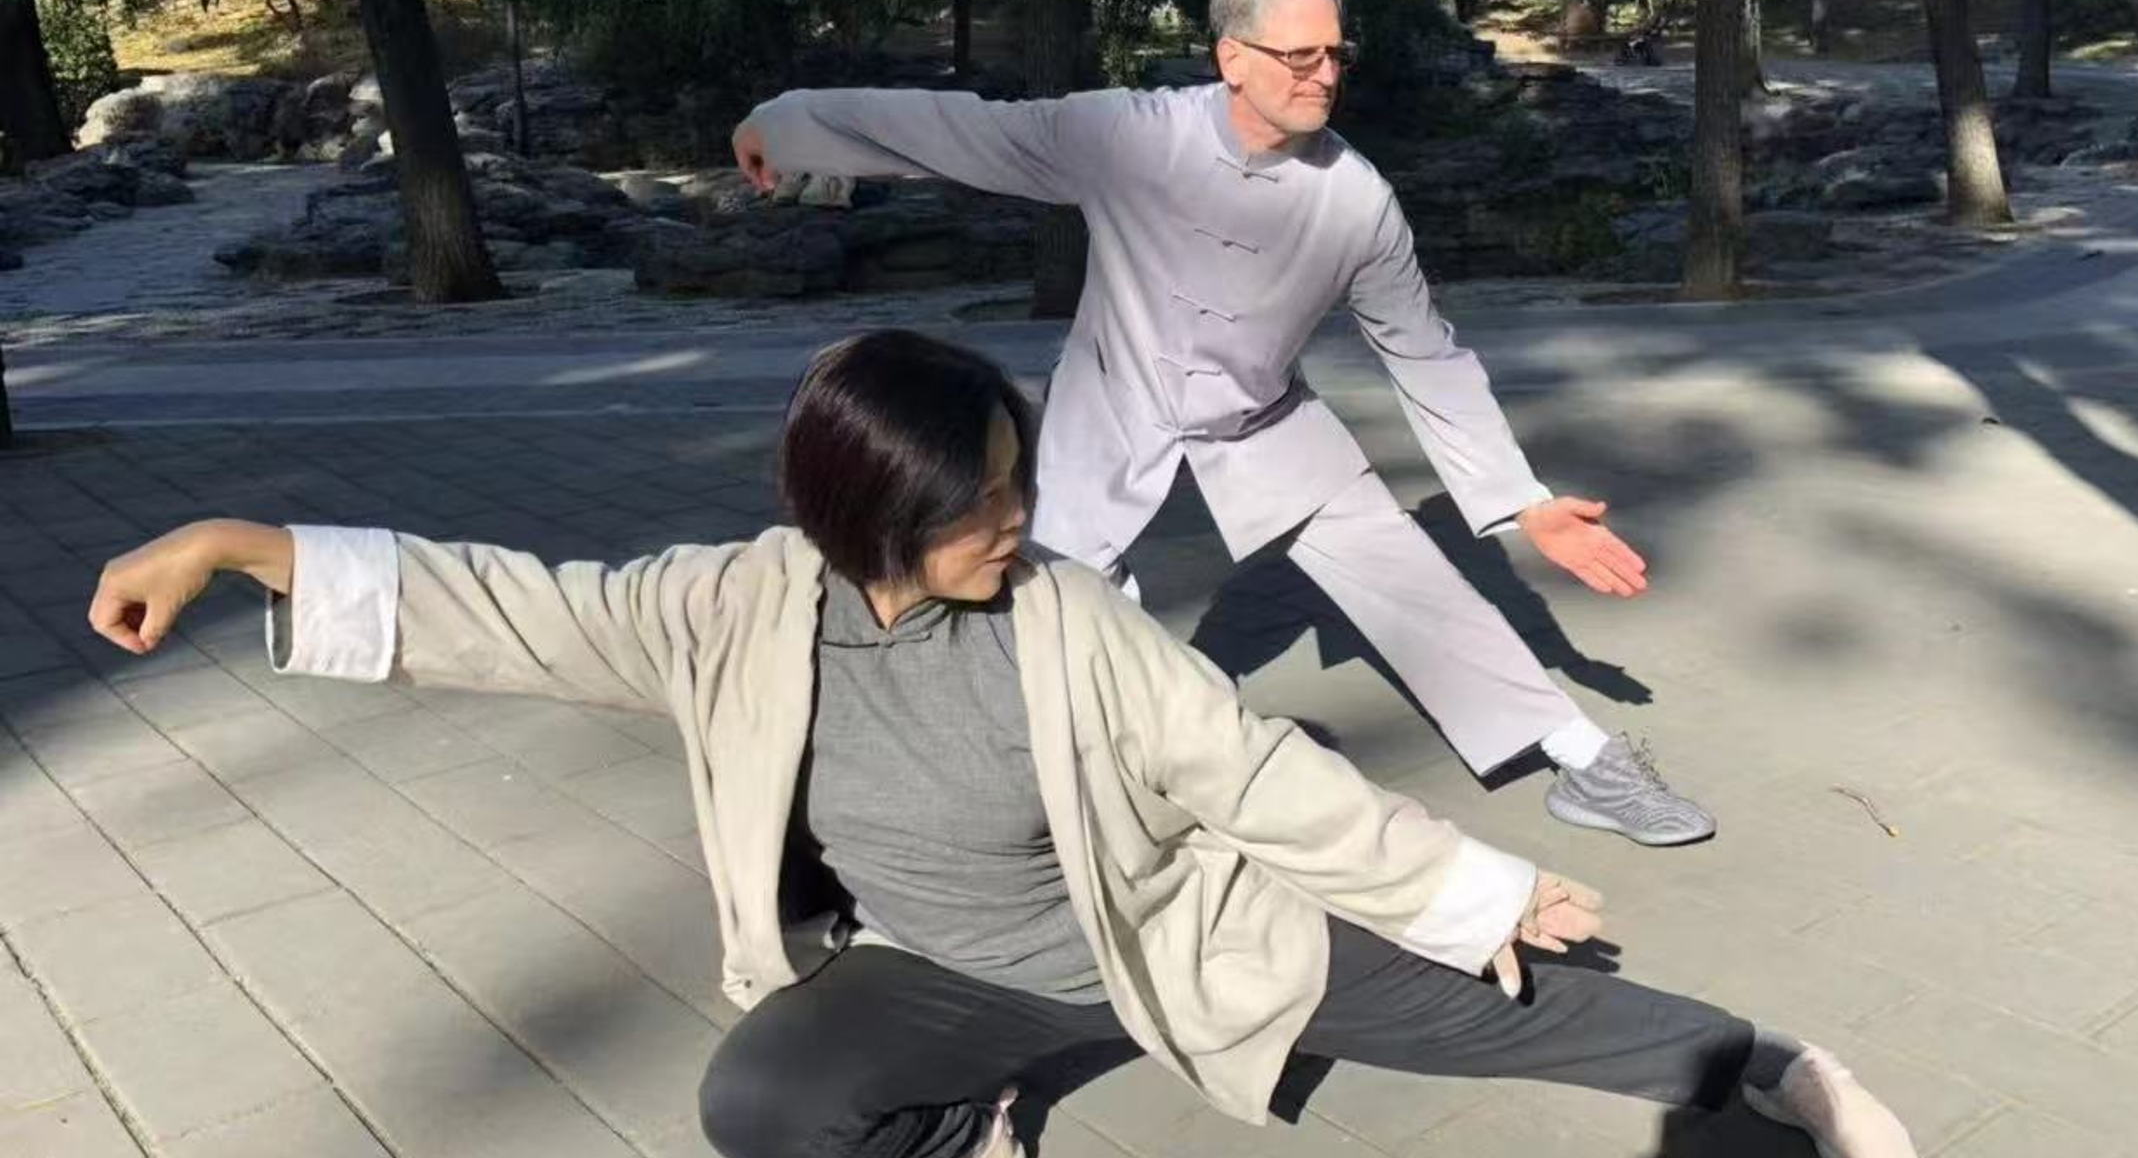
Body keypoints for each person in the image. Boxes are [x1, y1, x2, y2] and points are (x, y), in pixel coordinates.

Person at [90, 331, 1915, 1158]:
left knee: (1509, 1002)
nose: (1018, 527)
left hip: (1176, 937)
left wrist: (1478, 883)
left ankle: (1771, 1071)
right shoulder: (729, 609)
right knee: (763, 1104)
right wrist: (240, 546)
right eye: (983, 506)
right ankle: (975, 1119)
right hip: (950, 980)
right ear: (866, 514)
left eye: (1022, 493)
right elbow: (508, 603)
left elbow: (1255, 776)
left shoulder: (1066, 619)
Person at [730, 0, 1712, 848]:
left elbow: (1426, 352)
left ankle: (1581, 759)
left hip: (1268, 423)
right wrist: (784, 124)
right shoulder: (1126, 136)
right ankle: (1036, 771)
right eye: (1297, 55)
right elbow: (962, 131)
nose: (1322, 75)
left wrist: (1520, 499)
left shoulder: (1357, 200)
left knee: (1415, 580)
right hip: (1111, 406)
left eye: (1336, 54)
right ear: (1230, 57)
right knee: (1042, 591)